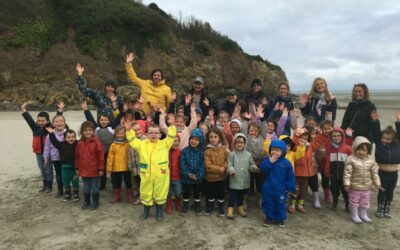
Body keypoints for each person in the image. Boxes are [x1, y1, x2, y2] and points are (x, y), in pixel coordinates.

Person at [125, 118, 176, 221]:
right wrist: (129, 130)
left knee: (160, 193)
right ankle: (146, 212)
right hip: (146, 174)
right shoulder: (141, 144)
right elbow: (132, 140)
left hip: (161, 175)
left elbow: (171, 136)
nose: (153, 135)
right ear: (146, 134)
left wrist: (171, 126)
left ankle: (159, 212)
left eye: (156, 133)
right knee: (145, 192)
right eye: (151, 133)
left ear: (160, 135)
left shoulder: (164, 144)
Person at [81, 101, 123, 190]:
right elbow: (90, 119)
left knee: (112, 168)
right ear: (99, 121)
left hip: (110, 152)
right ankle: (102, 185)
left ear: (109, 121)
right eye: (101, 120)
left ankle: (114, 184)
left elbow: (118, 118)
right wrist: (86, 110)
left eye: (105, 120)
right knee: (102, 169)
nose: (103, 121)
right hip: (99, 153)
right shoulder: (96, 128)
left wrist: (123, 111)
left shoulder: (111, 127)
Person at [344, 136, 381, 224]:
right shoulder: (351, 159)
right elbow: (347, 173)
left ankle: (363, 214)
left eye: (364, 150)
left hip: (366, 186)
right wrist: (347, 183)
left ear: (368, 151)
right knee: (354, 201)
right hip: (354, 186)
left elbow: (374, 173)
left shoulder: (371, 160)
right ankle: (354, 215)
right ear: (355, 149)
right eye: (359, 149)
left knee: (365, 201)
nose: (362, 152)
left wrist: (377, 183)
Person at [260, 139, 295, 228]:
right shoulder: (267, 160)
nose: (274, 152)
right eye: (273, 149)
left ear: (282, 152)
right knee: (268, 203)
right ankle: (269, 217)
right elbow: (263, 169)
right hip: (268, 188)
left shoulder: (286, 163)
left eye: (277, 150)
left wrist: (290, 187)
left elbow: (290, 176)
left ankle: (280, 219)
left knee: (281, 203)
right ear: (270, 150)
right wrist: (270, 162)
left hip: (281, 189)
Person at [371, 111, 400, 219]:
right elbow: (375, 133)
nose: (385, 140)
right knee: (382, 190)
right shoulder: (379, 143)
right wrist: (375, 121)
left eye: (388, 139)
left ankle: (387, 208)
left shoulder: (397, 144)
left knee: (390, 192)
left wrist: (398, 122)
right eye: (383, 138)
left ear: (393, 140)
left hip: (394, 173)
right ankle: (380, 207)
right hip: (382, 172)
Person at [21, 102, 53, 193]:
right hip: (38, 153)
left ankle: (49, 187)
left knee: (48, 169)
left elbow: (57, 120)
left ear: (47, 121)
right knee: (42, 169)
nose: (41, 122)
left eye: (43, 121)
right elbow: (29, 119)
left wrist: (60, 111)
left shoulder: (49, 128)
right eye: (39, 121)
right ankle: (45, 185)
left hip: (48, 154)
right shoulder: (34, 128)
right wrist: (24, 109)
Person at [226, 133, 258, 219]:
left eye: (241, 142)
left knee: (241, 195)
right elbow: (229, 164)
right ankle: (230, 209)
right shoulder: (232, 154)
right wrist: (231, 170)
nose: (239, 144)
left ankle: (240, 208)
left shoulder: (248, 154)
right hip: (235, 178)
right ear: (234, 144)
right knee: (233, 195)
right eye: (237, 142)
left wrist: (253, 167)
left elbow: (251, 164)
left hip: (244, 179)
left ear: (245, 143)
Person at [75, 121, 105, 210]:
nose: (88, 132)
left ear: (93, 131)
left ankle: (96, 202)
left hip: (95, 170)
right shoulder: (79, 143)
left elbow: (101, 158)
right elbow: (77, 157)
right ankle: (86, 202)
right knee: (86, 188)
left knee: (95, 188)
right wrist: (77, 167)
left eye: (90, 130)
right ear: (82, 132)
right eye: (85, 130)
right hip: (84, 170)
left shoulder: (97, 143)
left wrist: (101, 169)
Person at [45, 127, 79, 202]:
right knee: (65, 180)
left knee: (75, 181)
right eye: (69, 137)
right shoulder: (61, 145)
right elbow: (54, 141)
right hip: (64, 167)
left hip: (74, 167)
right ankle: (67, 194)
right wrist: (51, 133)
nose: (71, 139)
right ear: (64, 138)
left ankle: (76, 194)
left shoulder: (78, 144)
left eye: (73, 137)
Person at [324, 128, 353, 211]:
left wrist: (350, 174)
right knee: (334, 190)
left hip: (345, 176)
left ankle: (348, 205)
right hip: (333, 175)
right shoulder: (330, 148)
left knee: (346, 192)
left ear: (343, 136)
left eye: (339, 135)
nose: (336, 137)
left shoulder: (347, 148)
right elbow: (327, 161)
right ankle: (335, 203)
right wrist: (327, 172)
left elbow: (351, 163)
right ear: (331, 137)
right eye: (334, 136)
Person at [180, 128, 205, 216]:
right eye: (192, 139)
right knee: (186, 193)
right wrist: (188, 174)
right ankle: (185, 206)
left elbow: (203, 165)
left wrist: (198, 175)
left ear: (201, 141)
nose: (193, 141)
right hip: (186, 178)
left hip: (197, 178)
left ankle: (197, 206)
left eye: (196, 139)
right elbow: (182, 164)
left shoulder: (202, 152)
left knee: (197, 193)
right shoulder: (184, 151)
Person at [204, 128, 228, 216]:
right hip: (211, 178)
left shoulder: (223, 150)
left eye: (215, 137)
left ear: (219, 138)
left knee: (221, 193)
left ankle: (221, 207)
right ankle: (210, 206)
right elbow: (208, 165)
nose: (213, 139)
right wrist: (219, 169)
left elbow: (227, 160)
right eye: (211, 137)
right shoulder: (207, 151)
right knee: (211, 193)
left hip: (221, 177)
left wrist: (224, 167)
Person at [106, 126, 133, 203]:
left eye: (121, 133)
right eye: (117, 133)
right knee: (116, 183)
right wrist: (109, 169)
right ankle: (117, 196)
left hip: (126, 167)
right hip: (116, 168)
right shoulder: (113, 145)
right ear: (115, 134)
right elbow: (110, 158)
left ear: (125, 134)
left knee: (128, 182)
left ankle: (129, 196)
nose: (119, 135)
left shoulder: (128, 144)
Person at [43, 114, 67, 198]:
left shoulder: (67, 132)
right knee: (59, 175)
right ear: (53, 124)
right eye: (57, 121)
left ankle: (68, 190)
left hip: (66, 158)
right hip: (55, 158)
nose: (59, 123)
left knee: (66, 175)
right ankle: (60, 190)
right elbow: (46, 148)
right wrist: (46, 158)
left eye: (61, 121)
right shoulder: (49, 135)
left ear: (64, 123)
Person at [166, 135, 182, 214]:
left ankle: (177, 203)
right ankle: (169, 205)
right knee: (168, 192)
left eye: (177, 141)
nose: (175, 143)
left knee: (178, 192)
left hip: (177, 177)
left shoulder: (180, 152)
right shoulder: (166, 151)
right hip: (167, 177)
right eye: (173, 141)